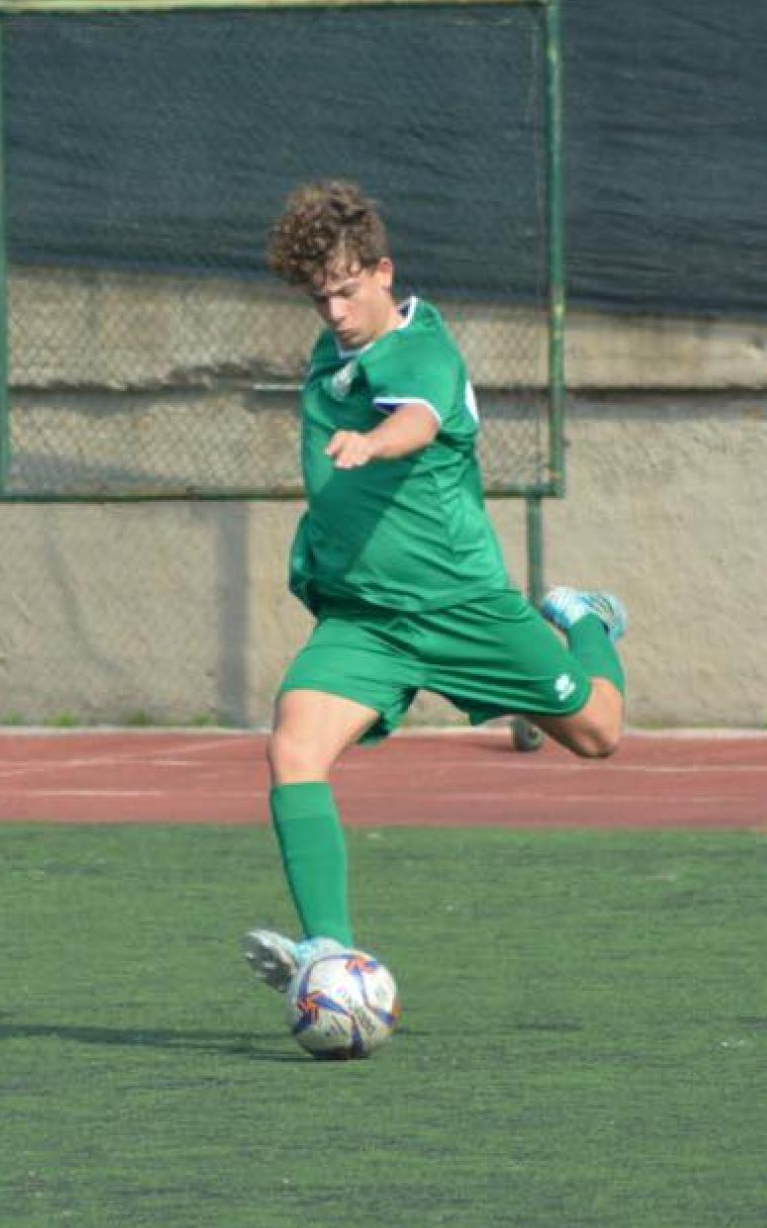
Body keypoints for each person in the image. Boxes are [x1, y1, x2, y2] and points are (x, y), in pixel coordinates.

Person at [243, 179, 630, 992]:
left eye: (348, 292)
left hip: (462, 608)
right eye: (322, 300)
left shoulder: (425, 352)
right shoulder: (332, 352)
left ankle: (588, 620)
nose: (337, 313)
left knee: (598, 733)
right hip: (368, 620)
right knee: (292, 747)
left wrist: (374, 445)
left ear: (384, 272)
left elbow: (416, 417)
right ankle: (328, 952)